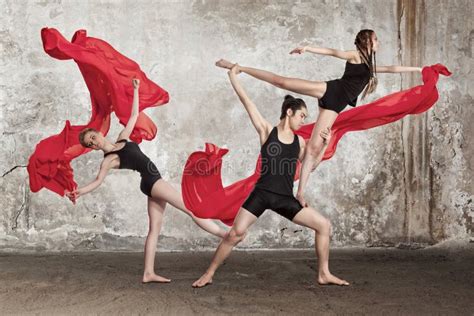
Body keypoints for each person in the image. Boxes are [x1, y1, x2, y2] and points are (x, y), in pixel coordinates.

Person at [215, 29, 422, 207]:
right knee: (283, 82)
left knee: (313, 151)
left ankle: (300, 193)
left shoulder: (370, 65)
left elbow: (393, 69)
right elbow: (333, 52)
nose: (379, 42)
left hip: (334, 107)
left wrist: (422, 69)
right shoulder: (355, 55)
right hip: (330, 91)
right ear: (367, 41)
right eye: (376, 39)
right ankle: (238, 67)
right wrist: (308, 48)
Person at [192, 64, 348, 288]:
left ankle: (324, 273)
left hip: (285, 198)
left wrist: (324, 145)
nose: (304, 121)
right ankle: (209, 273)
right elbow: (248, 102)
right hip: (262, 194)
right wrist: (234, 77)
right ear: (289, 112)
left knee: (324, 225)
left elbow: (309, 165)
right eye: (302, 116)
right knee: (235, 234)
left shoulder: (300, 142)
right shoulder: (267, 131)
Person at [66, 78, 226, 283]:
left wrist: (135, 90)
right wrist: (80, 191)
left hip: (151, 183)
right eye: (90, 143)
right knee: (192, 208)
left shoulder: (123, 138)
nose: (94, 142)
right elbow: (98, 181)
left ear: (98, 133)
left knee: (154, 230)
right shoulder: (108, 160)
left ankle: (148, 273)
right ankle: (224, 235)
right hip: (153, 183)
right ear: (92, 148)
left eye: (93, 137)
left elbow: (134, 115)